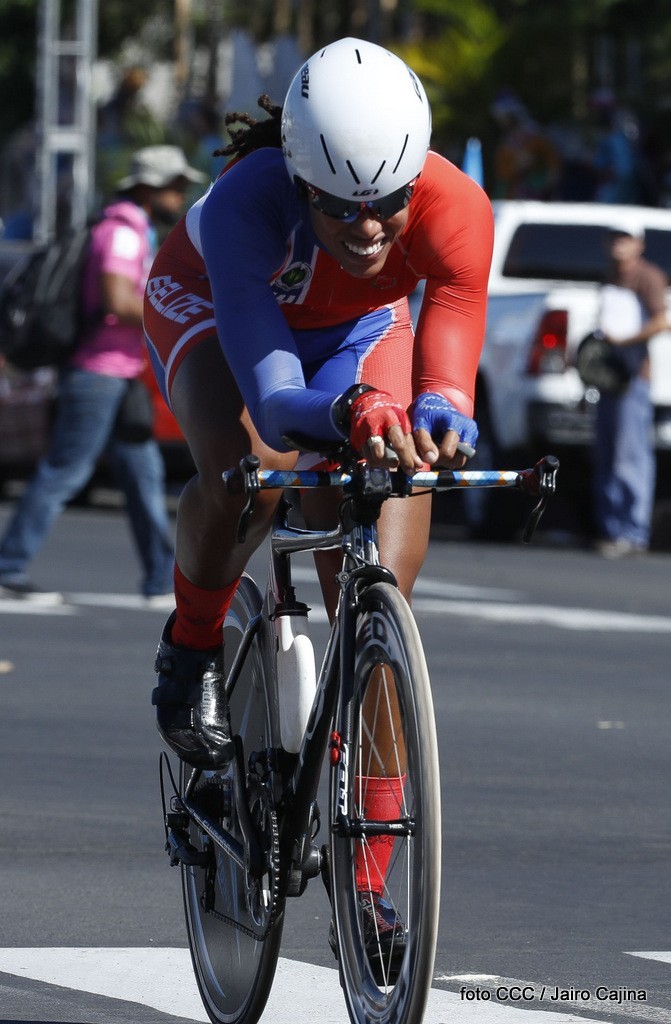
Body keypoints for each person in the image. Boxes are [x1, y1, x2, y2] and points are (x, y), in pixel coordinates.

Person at [144, 38, 493, 949]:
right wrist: (350, 408)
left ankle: (364, 892)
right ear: (300, 181)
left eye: (388, 203)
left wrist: (442, 414)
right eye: (340, 207)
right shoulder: (247, 203)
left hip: (356, 331)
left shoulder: (457, 205)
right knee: (251, 473)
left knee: (383, 558)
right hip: (218, 313)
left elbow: (450, 353)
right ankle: (191, 647)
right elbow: (273, 402)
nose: (369, 228)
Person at [0, 145, 206, 603]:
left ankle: (161, 581)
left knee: (144, 476)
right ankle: (8, 565)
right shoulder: (122, 233)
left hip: (117, 375)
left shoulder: (130, 229)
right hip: (97, 375)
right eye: (175, 188)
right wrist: (168, 313)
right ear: (150, 188)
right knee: (65, 472)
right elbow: (116, 300)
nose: (180, 197)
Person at [593, 219, 669, 557]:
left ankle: (633, 531)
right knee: (607, 454)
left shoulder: (648, 276)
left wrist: (625, 341)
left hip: (633, 377)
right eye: (614, 238)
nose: (618, 244)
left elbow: (661, 321)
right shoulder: (610, 275)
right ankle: (611, 528)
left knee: (630, 455)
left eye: (625, 238)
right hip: (609, 377)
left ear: (638, 244)